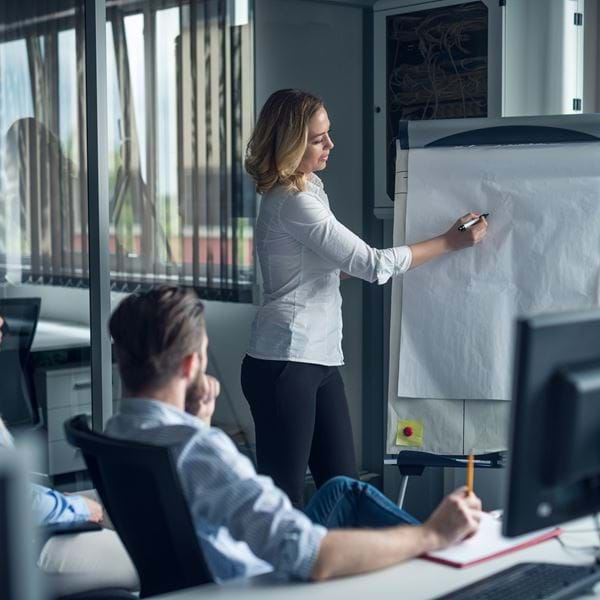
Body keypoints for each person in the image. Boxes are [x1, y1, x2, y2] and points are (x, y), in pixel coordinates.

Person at [105, 285, 482, 582]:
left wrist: (197, 423)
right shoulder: (201, 451)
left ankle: (450, 550)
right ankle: (451, 552)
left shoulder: (117, 432)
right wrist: (430, 534)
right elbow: (311, 557)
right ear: (191, 365)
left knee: (340, 489)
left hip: (191, 579)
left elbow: (192, 500)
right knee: (384, 515)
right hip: (259, 584)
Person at [241, 89, 489, 506]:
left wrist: (360, 264)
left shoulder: (309, 189)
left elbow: (332, 266)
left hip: (317, 360)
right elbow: (372, 265)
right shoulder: (296, 201)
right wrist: (448, 242)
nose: (330, 145)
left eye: (328, 134)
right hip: (286, 361)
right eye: (319, 139)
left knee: (346, 494)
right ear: (291, 144)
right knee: (281, 503)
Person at [0, 315, 138, 592]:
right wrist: (76, 509)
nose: (3, 322)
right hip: (20, 545)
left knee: (125, 503)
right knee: (156, 559)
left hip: (27, 518)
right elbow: (12, 502)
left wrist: (61, 501)